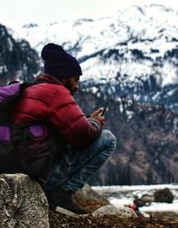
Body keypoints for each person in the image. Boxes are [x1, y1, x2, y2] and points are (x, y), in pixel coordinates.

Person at [12, 43, 116, 215]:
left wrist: (88, 119)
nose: (77, 86)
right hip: (40, 174)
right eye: (76, 79)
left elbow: (62, 129)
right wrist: (95, 123)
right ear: (65, 77)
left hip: (24, 165)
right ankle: (62, 193)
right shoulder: (57, 93)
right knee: (107, 139)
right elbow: (84, 134)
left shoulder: (33, 89)